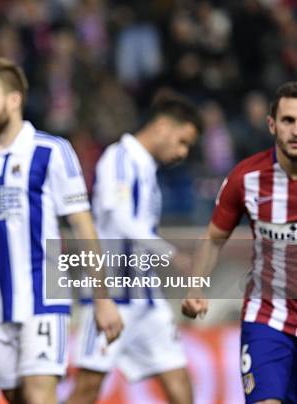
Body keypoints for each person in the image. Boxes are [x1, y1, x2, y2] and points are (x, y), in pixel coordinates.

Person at [0, 57, 123, 404]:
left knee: (39, 395)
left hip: (42, 299)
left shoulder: (51, 151)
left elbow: (83, 227)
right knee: (15, 397)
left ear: (14, 99)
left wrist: (102, 298)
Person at [68, 96, 202, 404]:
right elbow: (118, 217)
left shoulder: (146, 169)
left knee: (181, 385)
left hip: (146, 296)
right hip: (111, 295)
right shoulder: (119, 157)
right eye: (182, 142)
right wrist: (171, 254)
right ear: (163, 127)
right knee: (86, 390)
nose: (182, 153)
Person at [182, 81, 297, 403]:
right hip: (267, 317)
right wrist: (195, 286)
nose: (296, 131)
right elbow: (213, 239)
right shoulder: (246, 178)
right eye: (288, 121)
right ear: (272, 124)